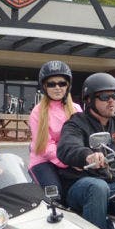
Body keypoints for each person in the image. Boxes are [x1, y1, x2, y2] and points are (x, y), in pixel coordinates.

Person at [56, 72, 115, 229]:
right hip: (80, 184)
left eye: (114, 95)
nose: (111, 100)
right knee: (97, 188)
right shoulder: (76, 122)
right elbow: (67, 147)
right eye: (104, 96)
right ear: (89, 100)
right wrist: (88, 155)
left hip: (112, 182)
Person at [28, 61, 82, 196]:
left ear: (68, 86)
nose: (57, 87)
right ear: (44, 87)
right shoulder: (37, 112)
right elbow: (46, 146)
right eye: (52, 84)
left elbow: (81, 138)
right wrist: (69, 161)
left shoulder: (76, 109)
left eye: (62, 83)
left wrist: (81, 158)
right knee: (54, 194)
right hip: (43, 160)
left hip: (70, 159)